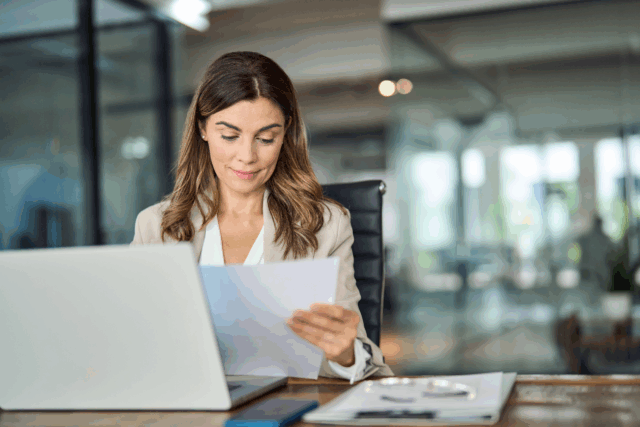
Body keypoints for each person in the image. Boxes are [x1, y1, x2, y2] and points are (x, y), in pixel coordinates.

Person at [131, 51, 392, 381]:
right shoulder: (156, 226)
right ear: (202, 128)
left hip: (285, 403)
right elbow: (135, 345)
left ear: (286, 134)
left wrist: (344, 352)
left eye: (266, 138)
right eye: (229, 136)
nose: (247, 156)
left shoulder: (325, 226)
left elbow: (367, 364)